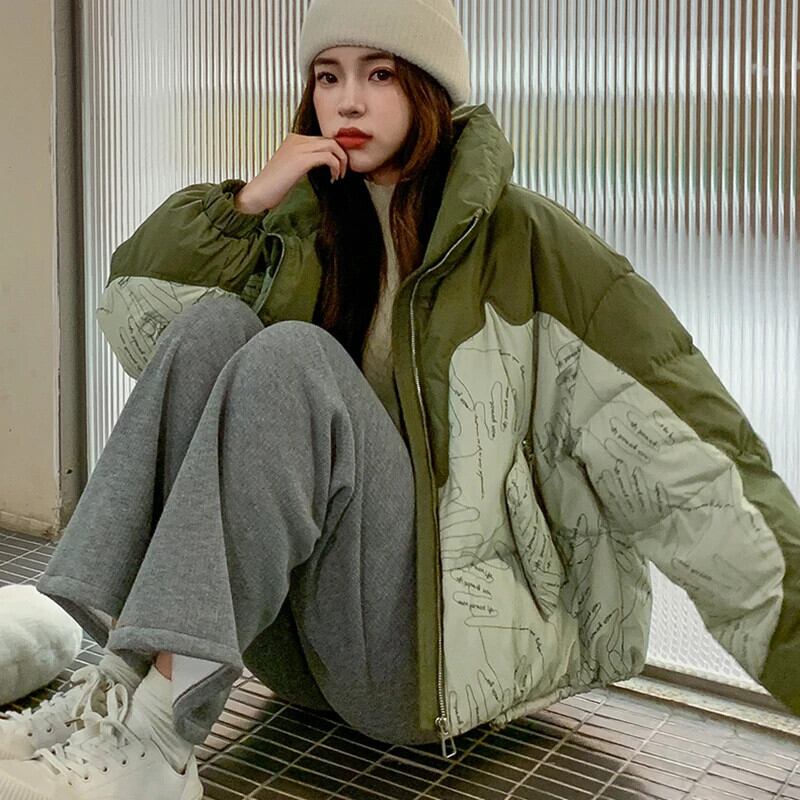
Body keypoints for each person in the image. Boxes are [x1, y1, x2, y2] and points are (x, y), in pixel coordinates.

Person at [2, 0, 799, 797]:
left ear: (429, 87)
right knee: (213, 327)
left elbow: (696, 468)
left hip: (432, 660)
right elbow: (134, 318)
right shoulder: (303, 226)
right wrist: (247, 206)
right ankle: (118, 696)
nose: (347, 101)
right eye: (327, 77)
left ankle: (154, 742)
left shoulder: (528, 244)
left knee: (292, 359)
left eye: (378, 74)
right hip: (299, 651)